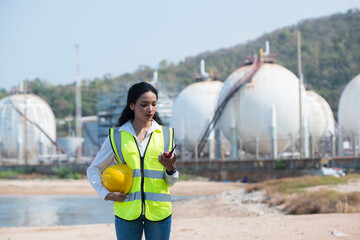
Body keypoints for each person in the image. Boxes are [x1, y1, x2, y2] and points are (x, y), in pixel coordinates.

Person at [87, 82, 178, 240]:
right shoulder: (116, 136)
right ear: (131, 105)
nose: (150, 109)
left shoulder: (166, 135)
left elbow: (170, 181)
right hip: (127, 211)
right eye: (144, 105)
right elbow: (93, 169)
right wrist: (106, 194)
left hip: (159, 212)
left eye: (154, 104)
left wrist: (171, 169)